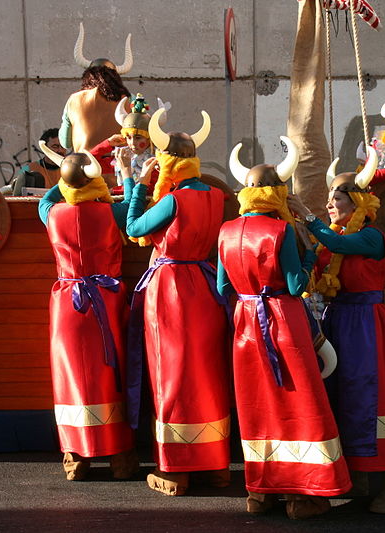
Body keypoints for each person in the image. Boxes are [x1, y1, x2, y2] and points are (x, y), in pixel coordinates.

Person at [218, 137, 351, 519]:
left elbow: (223, 288)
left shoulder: (227, 230)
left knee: (256, 405)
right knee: (300, 400)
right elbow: (296, 286)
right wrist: (309, 254)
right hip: (283, 320)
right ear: (279, 193)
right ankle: (305, 494)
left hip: (245, 323)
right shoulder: (282, 232)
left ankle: (261, 493)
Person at [288, 152, 385, 514]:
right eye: (330, 198)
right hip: (337, 321)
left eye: (336, 197)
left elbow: (339, 246)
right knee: (341, 397)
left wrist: (307, 217)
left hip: (366, 325)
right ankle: (357, 477)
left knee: (374, 399)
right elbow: (320, 259)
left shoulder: (372, 237)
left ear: (355, 201)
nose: (329, 203)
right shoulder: (330, 236)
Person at [125, 108, 231, 496]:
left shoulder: (174, 199)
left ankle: (176, 470)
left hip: (170, 291)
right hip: (205, 287)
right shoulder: (217, 197)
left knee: (170, 376)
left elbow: (134, 227)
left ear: (168, 163)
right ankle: (216, 467)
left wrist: (137, 184)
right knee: (206, 375)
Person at [37, 142, 138, 482]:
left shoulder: (51, 212)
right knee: (113, 377)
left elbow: (48, 197)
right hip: (106, 304)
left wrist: (68, 171)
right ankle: (120, 459)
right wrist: (124, 173)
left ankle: (75, 458)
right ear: (95, 183)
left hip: (67, 306)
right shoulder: (110, 213)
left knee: (71, 382)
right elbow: (134, 211)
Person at [60, 23, 133, 187]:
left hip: (83, 173)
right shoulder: (130, 99)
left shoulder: (74, 100)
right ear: (116, 77)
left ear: (87, 77)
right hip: (120, 173)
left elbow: (65, 142)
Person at [89, 93, 164, 194]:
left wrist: (116, 191)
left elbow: (148, 189)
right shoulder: (122, 155)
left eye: (138, 138)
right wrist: (107, 144)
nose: (132, 143)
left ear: (149, 138)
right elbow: (87, 162)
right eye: (128, 137)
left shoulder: (158, 158)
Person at [12, 129, 65, 194]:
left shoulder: (72, 169)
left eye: (63, 147)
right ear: (44, 148)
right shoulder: (29, 168)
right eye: (55, 146)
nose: (60, 150)